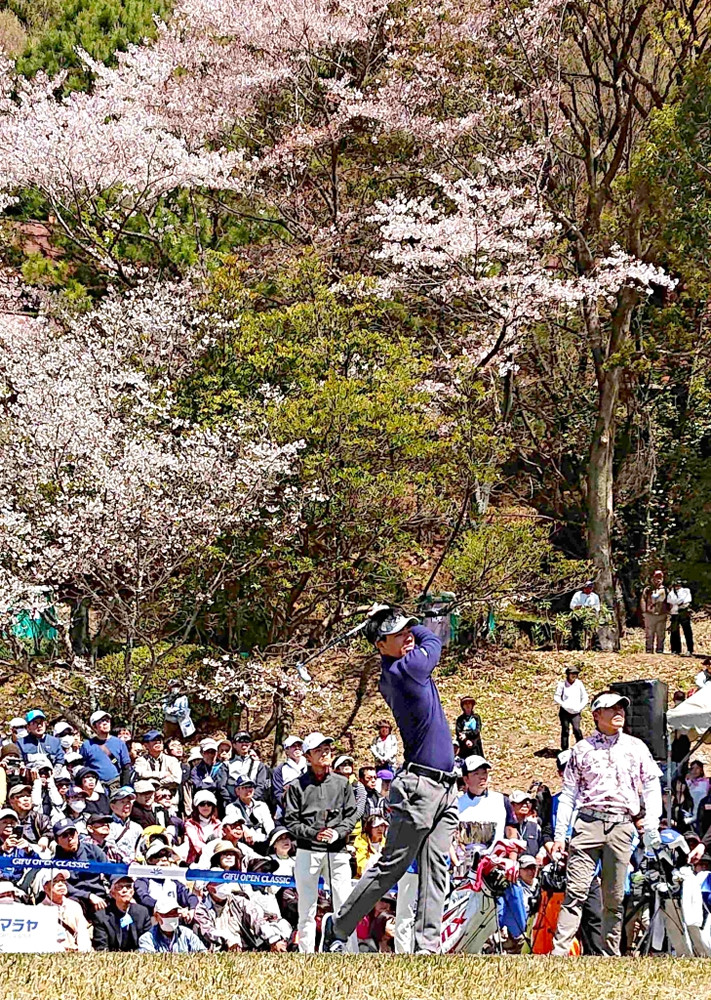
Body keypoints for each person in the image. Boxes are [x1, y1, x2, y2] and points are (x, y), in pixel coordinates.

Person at [322, 606, 458, 955]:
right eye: (398, 634)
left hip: (446, 785)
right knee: (390, 867)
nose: (408, 635)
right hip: (419, 786)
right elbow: (434, 639)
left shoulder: (398, 666)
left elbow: (422, 637)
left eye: (407, 630)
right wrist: (412, 617)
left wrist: (395, 615)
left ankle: (427, 947)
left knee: (436, 869)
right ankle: (337, 927)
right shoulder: (405, 670)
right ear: (381, 645)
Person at [551, 691, 662, 956]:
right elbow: (568, 795)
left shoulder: (637, 747)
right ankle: (559, 951)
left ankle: (611, 955)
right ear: (596, 715)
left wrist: (652, 822)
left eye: (621, 708)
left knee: (614, 897)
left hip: (622, 825)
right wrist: (559, 835)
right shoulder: (581, 749)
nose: (619, 713)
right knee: (575, 891)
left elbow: (651, 785)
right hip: (588, 822)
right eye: (611, 709)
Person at [283, 731, 358, 953]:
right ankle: (306, 952)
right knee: (306, 906)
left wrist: (337, 833)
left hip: (337, 850)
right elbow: (291, 821)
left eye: (327, 749)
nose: (325, 753)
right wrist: (314, 833)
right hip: (308, 850)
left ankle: (350, 952)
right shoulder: (297, 786)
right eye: (319, 750)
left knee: (345, 905)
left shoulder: (342, 783)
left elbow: (351, 815)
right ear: (307, 757)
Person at [52, 817, 109, 918]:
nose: (70, 838)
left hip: (100, 895)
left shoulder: (93, 850)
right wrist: (88, 896)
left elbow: (110, 870)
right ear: (57, 841)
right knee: (71, 907)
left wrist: (119, 886)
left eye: (72, 833)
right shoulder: (56, 862)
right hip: (77, 898)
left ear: (77, 834)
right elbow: (65, 887)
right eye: (64, 835)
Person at [457, 755, 517, 847]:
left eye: (484, 772)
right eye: (476, 774)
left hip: (496, 859)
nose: (482, 777)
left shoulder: (501, 800)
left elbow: (511, 832)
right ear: (466, 779)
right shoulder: (456, 805)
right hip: (465, 859)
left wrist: (512, 859)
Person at [92, 874, 153, 951]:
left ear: (132, 892)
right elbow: (102, 948)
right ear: (112, 894)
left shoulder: (143, 913)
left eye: (128, 886)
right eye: (119, 887)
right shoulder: (101, 916)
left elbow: (147, 943)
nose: (125, 890)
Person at [38, 869, 93, 951]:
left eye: (62, 881)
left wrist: (84, 951)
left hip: (76, 952)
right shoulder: (40, 910)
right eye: (55, 881)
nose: (61, 884)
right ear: (45, 888)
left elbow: (82, 933)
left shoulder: (74, 906)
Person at [79, 711, 131, 792]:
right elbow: (82, 767)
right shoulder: (87, 745)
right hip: (96, 787)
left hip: (115, 786)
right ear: (94, 726)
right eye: (101, 721)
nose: (105, 723)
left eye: (107, 720)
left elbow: (126, 767)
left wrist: (125, 786)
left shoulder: (119, 743)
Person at [138, 894, 207, 953]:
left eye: (174, 913)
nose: (171, 916)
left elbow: (203, 953)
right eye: (166, 914)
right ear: (156, 916)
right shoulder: (147, 939)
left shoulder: (187, 934)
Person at [226, 732, 271, 804]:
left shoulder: (259, 765)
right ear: (234, 745)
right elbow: (222, 786)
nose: (244, 744)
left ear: (250, 744)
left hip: (253, 804)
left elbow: (261, 785)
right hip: (232, 803)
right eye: (240, 741)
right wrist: (232, 801)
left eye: (246, 741)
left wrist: (250, 800)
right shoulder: (227, 764)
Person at [232, 775, 274, 850]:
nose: (248, 790)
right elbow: (235, 824)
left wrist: (272, 836)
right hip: (243, 843)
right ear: (237, 791)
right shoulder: (232, 807)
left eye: (250, 787)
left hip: (263, 841)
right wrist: (245, 830)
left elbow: (269, 823)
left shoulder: (262, 805)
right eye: (244, 787)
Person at [553, 666, 588, 751]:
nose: (574, 676)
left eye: (576, 674)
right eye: (572, 674)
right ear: (568, 675)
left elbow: (585, 697)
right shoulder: (562, 685)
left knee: (577, 729)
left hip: (576, 711)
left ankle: (581, 748)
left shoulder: (579, 684)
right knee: (565, 730)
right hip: (565, 711)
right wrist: (564, 705)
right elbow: (556, 697)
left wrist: (580, 707)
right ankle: (564, 749)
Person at [105, 786, 143, 862]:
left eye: (129, 802)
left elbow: (140, 849)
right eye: (123, 802)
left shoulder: (137, 827)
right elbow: (109, 847)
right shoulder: (106, 825)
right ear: (113, 806)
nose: (127, 805)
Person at [185, 789, 223, 864]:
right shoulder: (190, 824)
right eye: (202, 804)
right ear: (196, 806)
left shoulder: (218, 823)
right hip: (195, 862)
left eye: (209, 804)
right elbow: (196, 844)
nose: (206, 806)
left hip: (216, 860)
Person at [271, 736, 306, 807]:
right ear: (286, 750)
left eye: (299, 746)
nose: (297, 748)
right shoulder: (279, 770)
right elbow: (277, 793)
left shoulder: (310, 766)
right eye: (293, 746)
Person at [640, 570, 669, 654]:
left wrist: (668, 611)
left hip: (661, 614)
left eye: (660, 578)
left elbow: (669, 601)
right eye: (656, 578)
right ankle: (649, 650)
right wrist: (644, 612)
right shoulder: (648, 589)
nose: (658, 580)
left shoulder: (665, 589)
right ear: (653, 578)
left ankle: (660, 649)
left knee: (661, 634)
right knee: (649, 633)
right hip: (650, 614)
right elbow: (643, 599)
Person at [667, 580, 694, 655]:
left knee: (687, 631)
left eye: (678, 584)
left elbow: (687, 601)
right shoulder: (671, 593)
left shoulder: (686, 591)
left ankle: (690, 650)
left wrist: (680, 605)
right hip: (674, 612)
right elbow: (670, 602)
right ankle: (675, 650)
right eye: (675, 585)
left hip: (683, 612)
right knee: (674, 631)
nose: (677, 586)